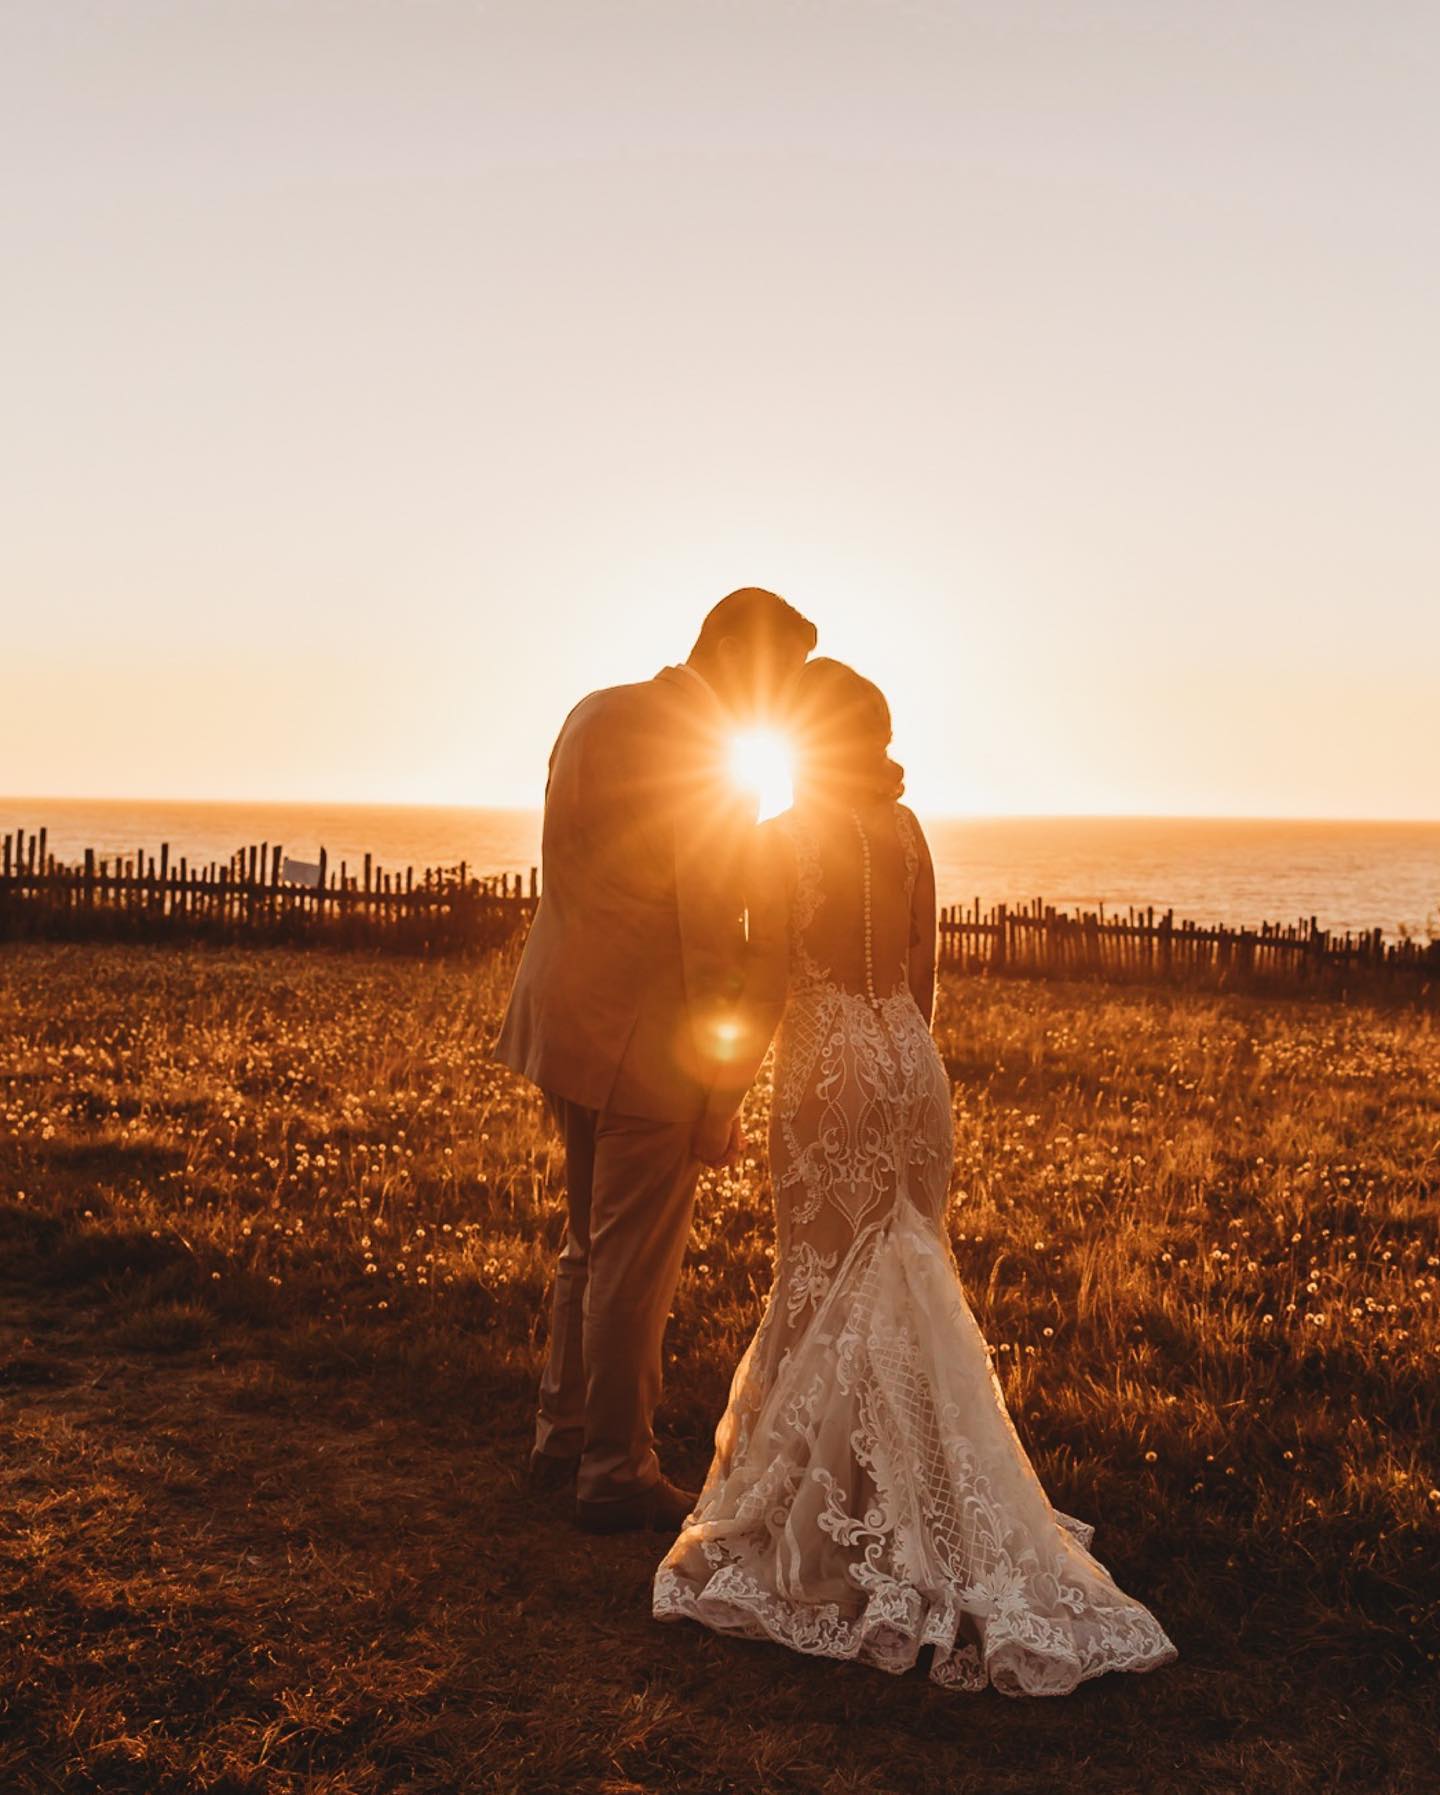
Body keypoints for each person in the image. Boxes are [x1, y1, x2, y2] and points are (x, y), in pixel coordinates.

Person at [653, 657, 1178, 1694]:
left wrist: (720, 1097)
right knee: (905, 1271)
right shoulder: (907, 831)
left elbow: (758, 985)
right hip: (907, 1061)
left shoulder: (778, 837)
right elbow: (924, 970)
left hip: (826, 1063)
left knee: (821, 1281)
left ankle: (830, 1529)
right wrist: (905, 1066)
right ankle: (920, 1494)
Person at [496, 587, 818, 1534]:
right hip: (648, 1042)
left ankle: (560, 1434)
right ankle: (616, 1469)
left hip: (565, 1016)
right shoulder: (714, 760)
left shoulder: (592, 711)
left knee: (586, 1245)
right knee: (634, 1262)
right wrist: (723, 1088)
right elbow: (716, 937)